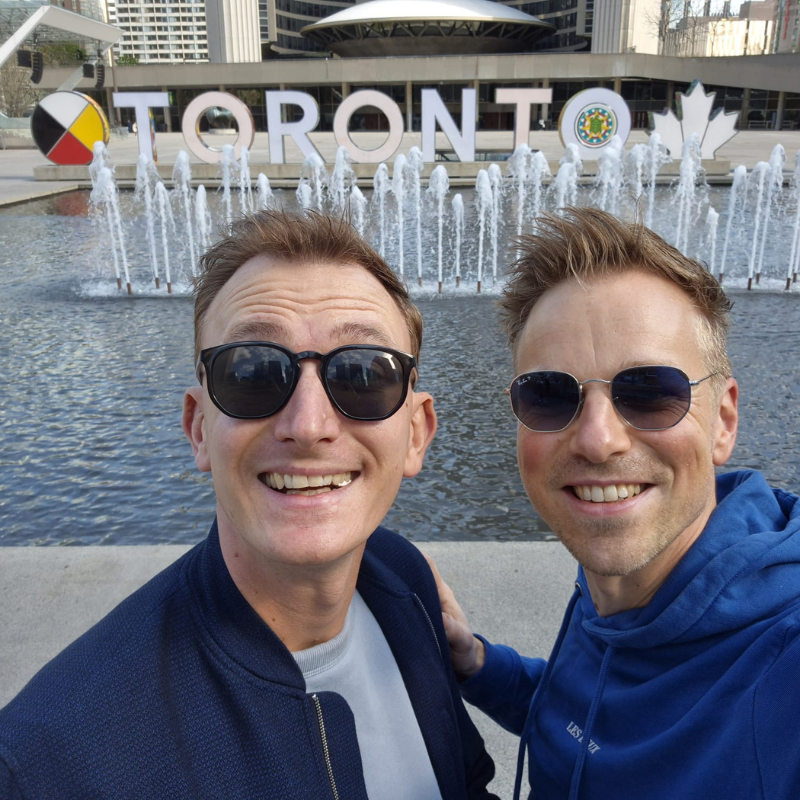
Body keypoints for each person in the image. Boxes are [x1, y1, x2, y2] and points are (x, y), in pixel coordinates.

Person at [0, 211, 497, 799]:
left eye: (364, 375)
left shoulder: (403, 578)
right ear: (199, 428)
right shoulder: (49, 764)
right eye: (252, 373)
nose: (308, 425)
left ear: (416, 433)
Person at [430, 207, 800, 800]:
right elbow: (593, 720)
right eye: (550, 394)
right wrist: (476, 662)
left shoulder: (783, 659)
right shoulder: (620, 580)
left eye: (650, 392)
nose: (598, 440)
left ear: (723, 421)